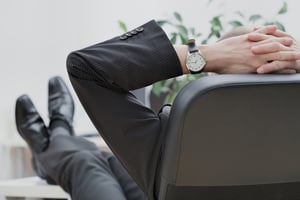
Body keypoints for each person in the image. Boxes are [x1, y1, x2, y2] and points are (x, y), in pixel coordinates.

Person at [16, 20, 300, 200]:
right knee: (104, 161)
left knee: (84, 164)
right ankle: (57, 139)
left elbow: (86, 66)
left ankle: (54, 138)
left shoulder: (184, 141)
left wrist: (207, 55)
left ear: (220, 77)